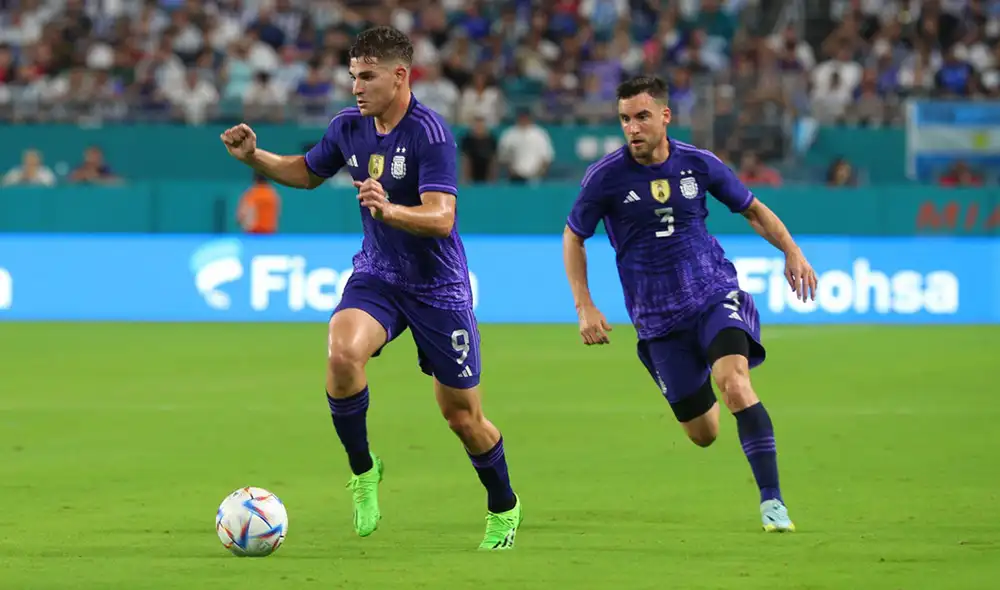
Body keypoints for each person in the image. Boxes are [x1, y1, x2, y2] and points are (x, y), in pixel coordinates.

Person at [219, 26, 522, 550]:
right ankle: (364, 471)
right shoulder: (348, 127)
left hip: (437, 289)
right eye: (352, 76)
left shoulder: (430, 133)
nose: (356, 87)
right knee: (341, 352)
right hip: (379, 272)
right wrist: (256, 158)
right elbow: (308, 172)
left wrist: (390, 209)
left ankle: (503, 507)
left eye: (367, 76)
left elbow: (443, 218)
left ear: (400, 76)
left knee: (463, 418)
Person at [562, 75, 818, 532]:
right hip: (658, 321)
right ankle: (701, 379)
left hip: (712, 294)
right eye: (624, 119)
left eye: (641, 117)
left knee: (735, 384)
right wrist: (584, 305)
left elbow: (753, 209)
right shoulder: (605, 177)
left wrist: (792, 251)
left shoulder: (699, 164)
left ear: (665, 116)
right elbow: (574, 236)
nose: (632, 128)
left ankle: (772, 503)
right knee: (704, 434)